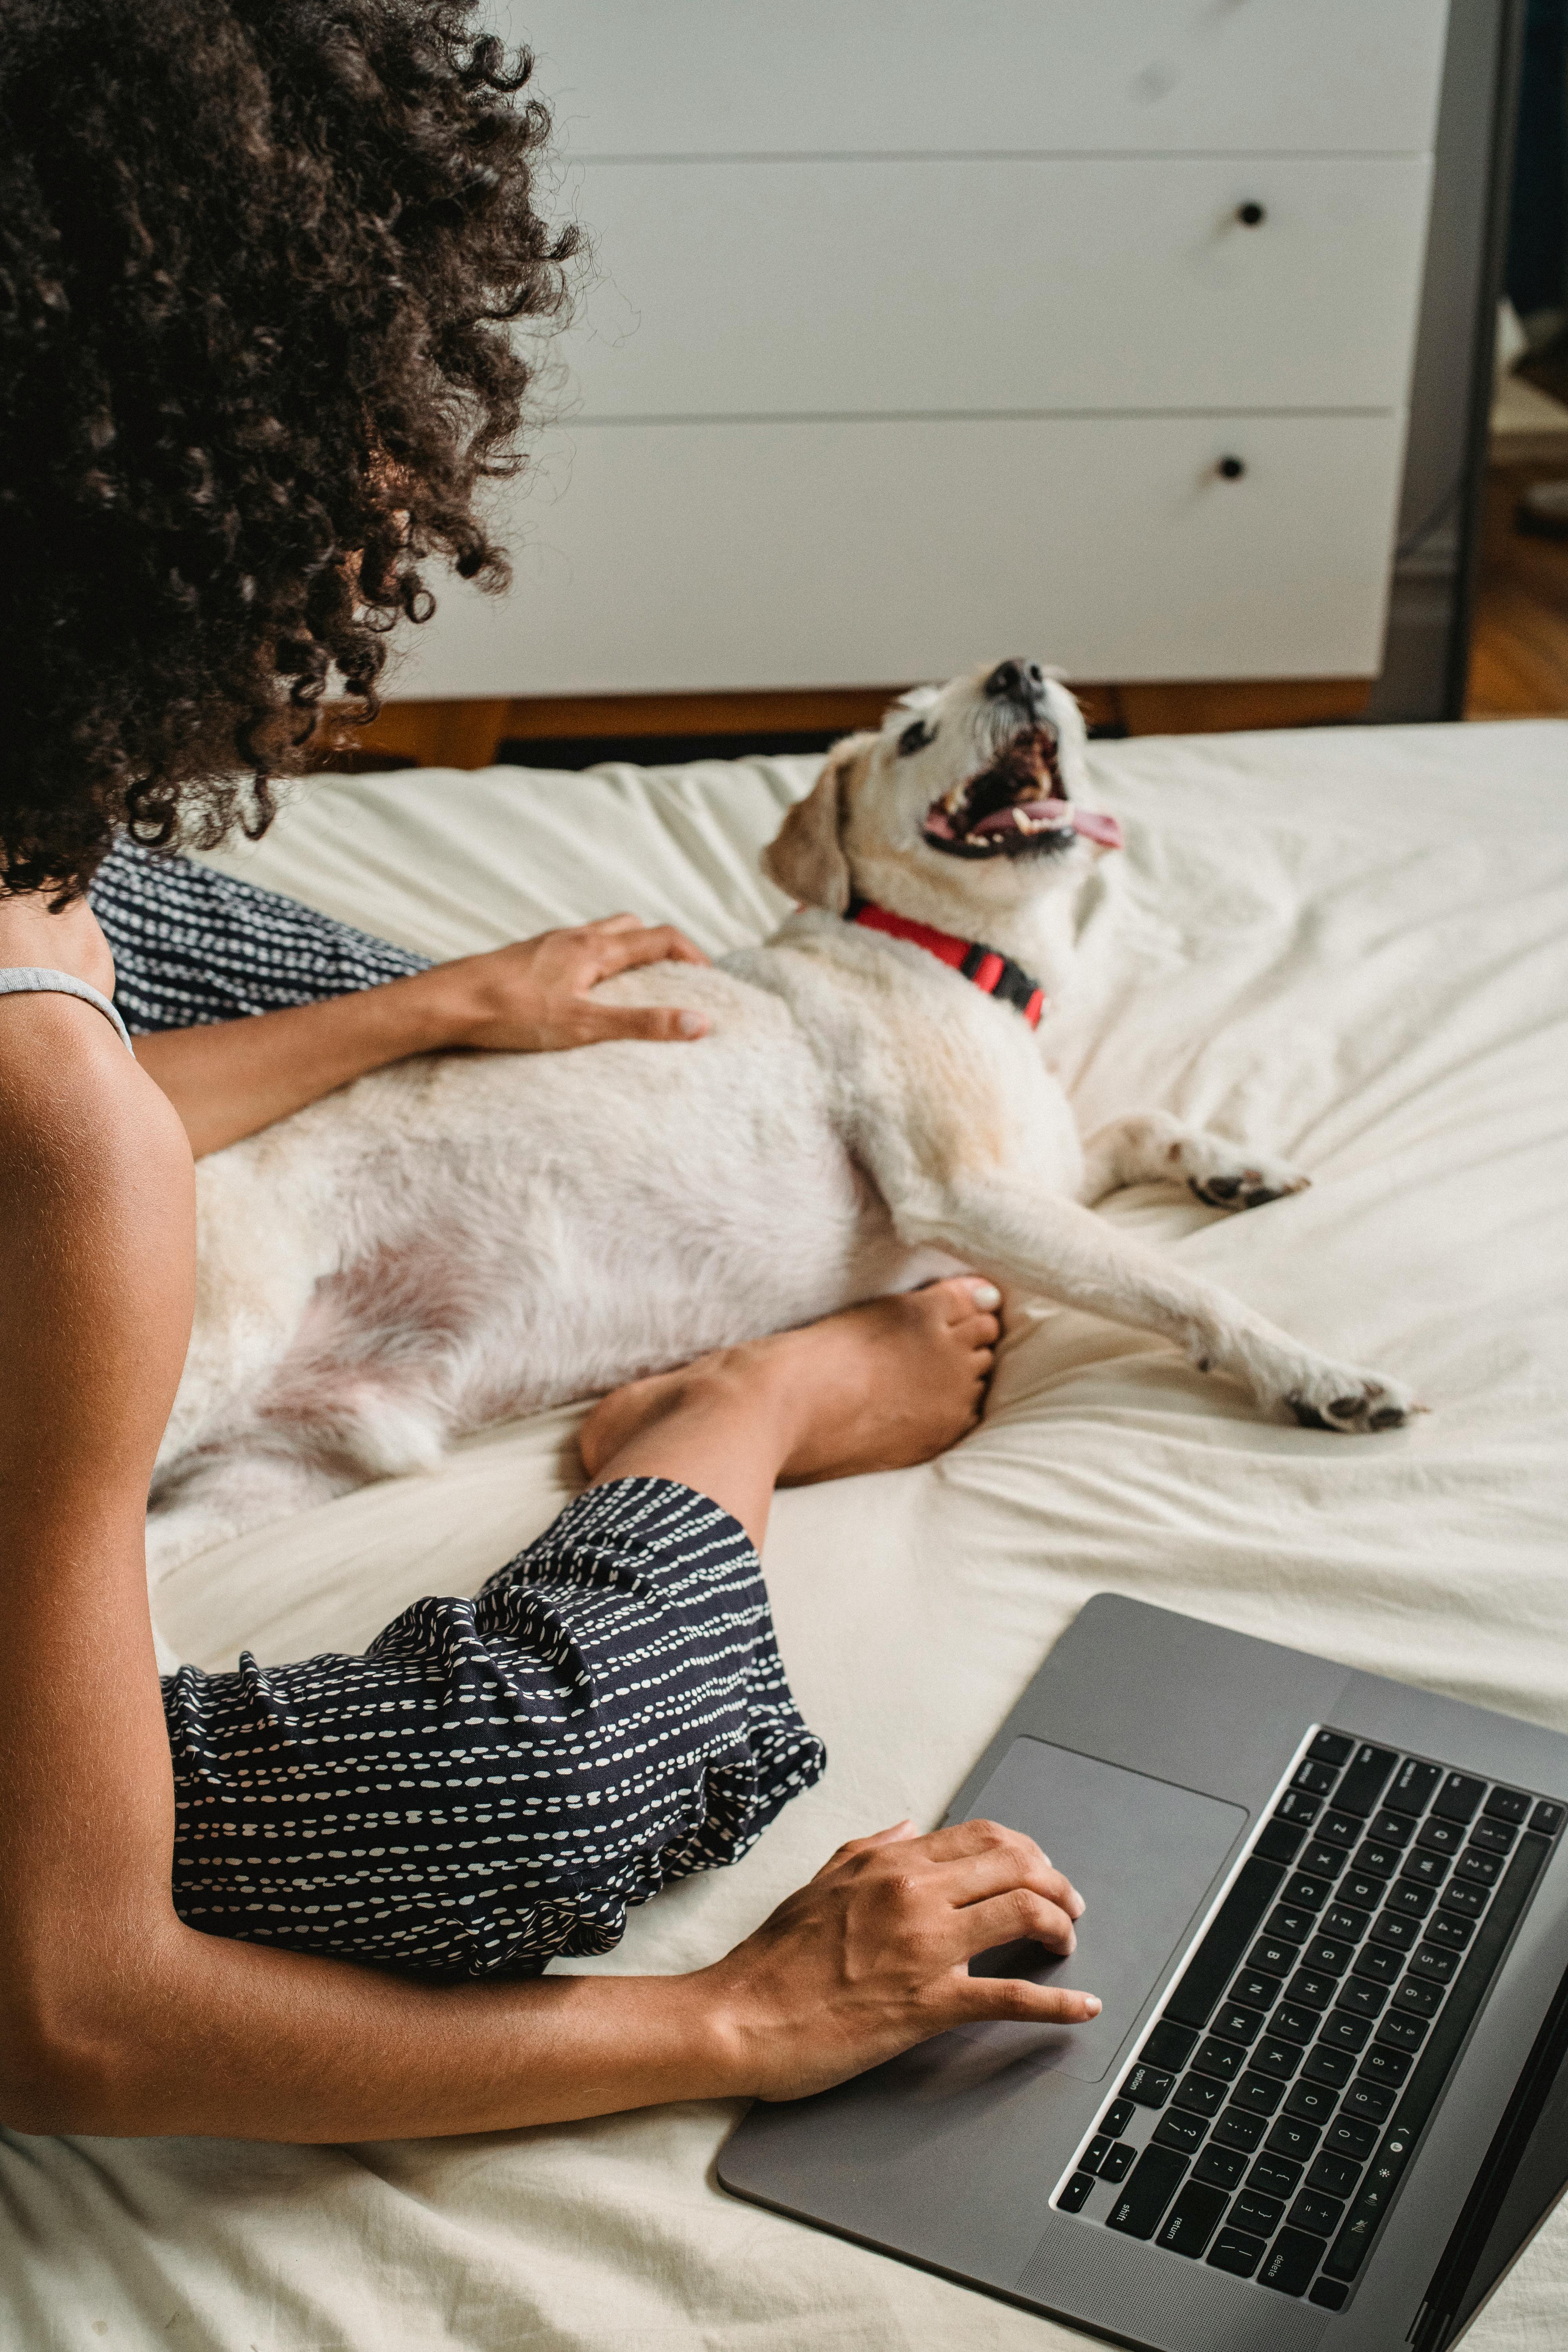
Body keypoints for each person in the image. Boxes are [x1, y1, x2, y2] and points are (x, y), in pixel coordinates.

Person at [0, 0, 1098, 2142]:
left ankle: (452, 1043)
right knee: (501, 1791)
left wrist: (433, 1016)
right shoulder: (59, 1142)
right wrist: (746, 2024)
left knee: (215, 939)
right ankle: (734, 1414)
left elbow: (64, 1065)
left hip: (67, 1123)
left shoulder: (57, 987)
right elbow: (73, 2016)